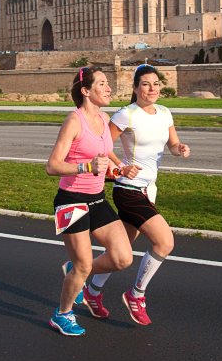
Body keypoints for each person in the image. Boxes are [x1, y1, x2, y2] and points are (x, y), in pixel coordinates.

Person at [84, 64, 190, 326]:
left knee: (122, 250)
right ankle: (136, 295)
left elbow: (173, 144)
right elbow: (103, 145)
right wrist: (120, 167)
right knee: (165, 242)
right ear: (135, 88)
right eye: (145, 84)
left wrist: (180, 149)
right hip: (128, 190)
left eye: (156, 83)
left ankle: (90, 289)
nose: (152, 88)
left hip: (149, 190)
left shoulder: (165, 113)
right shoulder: (126, 115)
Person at [44, 66, 139, 336]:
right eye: (102, 84)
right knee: (85, 264)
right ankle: (62, 314)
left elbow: (105, 155)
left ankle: (76, 270)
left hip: (97, 198)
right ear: (86, 91)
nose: (109, 88)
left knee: (122, 258)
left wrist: (120, 169)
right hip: (71, 201)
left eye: (108, 83)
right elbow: (52, 166)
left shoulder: (103, 117)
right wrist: (85, 168)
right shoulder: (74, 121)